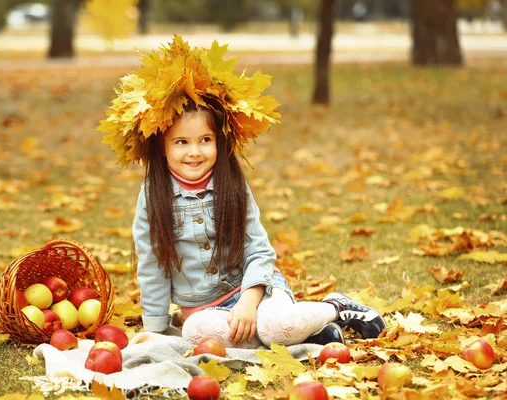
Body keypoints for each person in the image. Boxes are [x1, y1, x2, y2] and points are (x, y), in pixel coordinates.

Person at [99, 36, 386, 349]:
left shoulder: (231, 186)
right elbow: (153, 265)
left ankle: (335, 308)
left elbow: (259, 252)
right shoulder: (153, 196)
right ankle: (311, 334)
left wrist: (248, 303)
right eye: (181, 142)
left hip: (258, 291)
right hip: (205, 312)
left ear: (219, 142)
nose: (194, 152)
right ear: (162, 147)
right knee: (194, 333)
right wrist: (154, 333)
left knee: (275, 325)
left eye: (205, 140)